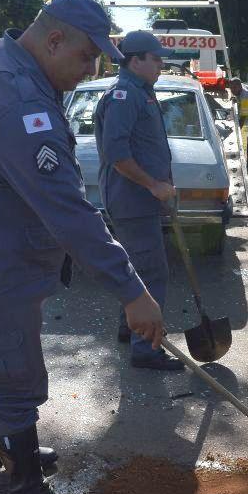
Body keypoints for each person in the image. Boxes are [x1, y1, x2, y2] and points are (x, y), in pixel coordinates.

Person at [0, 0, 165, 494]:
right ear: (53, 39)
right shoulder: (19, 101)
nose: (90, 69)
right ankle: (27, 493)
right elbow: (68, 211)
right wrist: (133, 291)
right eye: (85, 57)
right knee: (12, 369)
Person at [94, 30, 184, 372]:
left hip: (140, 199)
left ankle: (127, 327)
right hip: (131, 200)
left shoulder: (141, 92)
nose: (162, 64)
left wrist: (163, 185)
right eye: (156, 58)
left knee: (135, 267)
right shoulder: (124, 95)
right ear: (135, 60)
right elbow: (117, 154)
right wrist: (153, 186)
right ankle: (146, 348)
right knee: (151, 272)